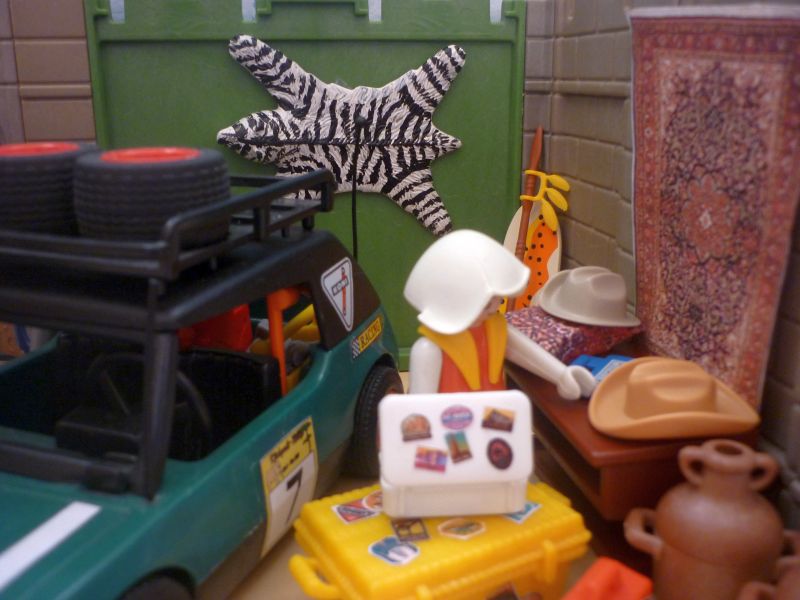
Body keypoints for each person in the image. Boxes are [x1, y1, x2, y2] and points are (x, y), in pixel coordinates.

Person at [404, 229, 595, 400]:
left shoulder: (493, 328)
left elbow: (524, 352)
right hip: (449, 424)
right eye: (486, 303)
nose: (495, 307)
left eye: (498, 299)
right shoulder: (428, 349)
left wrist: (562, 375)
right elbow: (419, 407)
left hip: (497, 419)